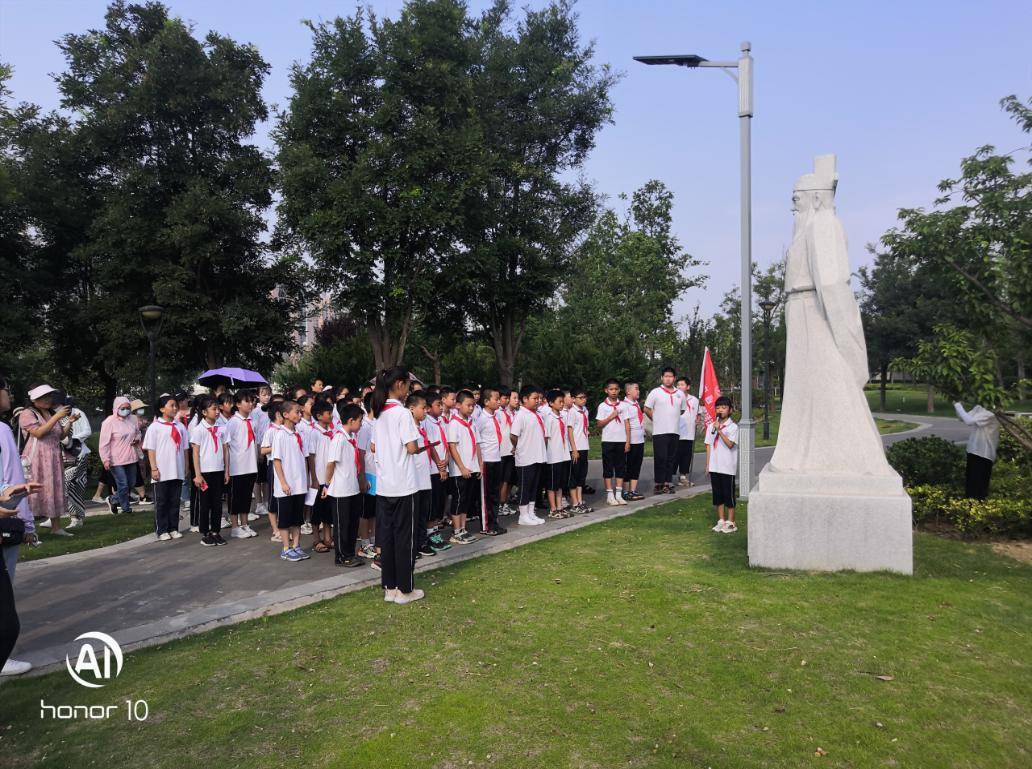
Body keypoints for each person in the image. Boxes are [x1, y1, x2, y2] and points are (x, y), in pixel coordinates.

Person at [371, 367, 426, 604]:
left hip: (385, 485)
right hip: (403, 484)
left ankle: (390, 586)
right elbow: (411, 447)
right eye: (408, 385)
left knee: (389, 538)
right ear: (401, 385)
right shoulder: (402, 414)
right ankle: (405, 589)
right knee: (405, 538)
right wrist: (423, 446)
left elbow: (374, 446)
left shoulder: (379, 413)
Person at [0, 374, 40, 677]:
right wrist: (26, 523)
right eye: (5, 389)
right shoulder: (2, 431)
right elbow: (14, 479)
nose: (8, 395)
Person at [19, 384, 75, 536]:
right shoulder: (27, 413)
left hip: (53, 457)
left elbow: (60, 435)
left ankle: (56, 527)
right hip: (37, 458)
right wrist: (57, 416)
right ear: (34, 399)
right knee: (33, 493)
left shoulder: (49, 413)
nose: (48, 399)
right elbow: (38, 433)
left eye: (49, 396)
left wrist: (69, 421)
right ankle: (28, 530)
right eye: (44, 397)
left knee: (54, 490)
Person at [323, 403, 365, 567]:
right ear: (350, 420)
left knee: (352, 523)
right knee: (342, 525)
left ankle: (350, 553)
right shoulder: (339, 438)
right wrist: (327, 485)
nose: (361, 424)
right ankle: (342, 556)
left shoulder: (352, 438)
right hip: (340, 490)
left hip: (352, 487)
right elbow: (330, 464)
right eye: (359, 421)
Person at [143, 394, 188, 541]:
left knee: (175, 501)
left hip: (177, 470)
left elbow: (185, 448)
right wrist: (154, 469)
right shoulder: (155, 427)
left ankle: (173, 527)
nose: (175, 408)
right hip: (162, 471)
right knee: (162, 502)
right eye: (171, 405)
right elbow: (151, 450)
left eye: (176, 405)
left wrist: (186, 466)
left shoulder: (180, 426)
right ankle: (161, 529)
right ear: (162, 409)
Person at [271, 400, 311, 562]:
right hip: (286, 486)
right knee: (285, 519)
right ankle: (286, 548)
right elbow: (277, 460)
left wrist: (308, 479)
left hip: (299, 484)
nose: (299, 414)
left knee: (297, 518)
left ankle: (296, 545)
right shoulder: (280, 435)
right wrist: (283, 482)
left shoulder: (299, 434)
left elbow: (306, 458)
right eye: (296, 412)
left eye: (300, 412)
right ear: (285, 415)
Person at [189, 395, 230, 547]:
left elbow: (226, 449)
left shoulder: (222, 428)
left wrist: (226, 471)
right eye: (214, 409)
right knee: (205, 504)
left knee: (217, 504)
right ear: (204, 412)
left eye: (218, 408)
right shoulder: (199, 429)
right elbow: (195, 452)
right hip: (205, 472)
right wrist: (198, 474)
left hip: (218, 471)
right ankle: (205, 533)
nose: (217, 411)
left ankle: (216, 531)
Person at [644, 367, 687, 495]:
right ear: (662, 378)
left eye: (671, 376)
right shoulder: (655, 392)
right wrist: (655, 418)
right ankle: (659, 483)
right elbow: (646, 408)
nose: (668, 378)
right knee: (660, 458)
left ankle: (668, 483)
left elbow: (682, 410)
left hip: (674, 431)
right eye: (666, 376)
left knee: (670, 458)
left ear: (674, 378)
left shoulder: (680, 394)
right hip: (660, 431)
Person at [446, 390, 481, 544]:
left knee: (466, 499)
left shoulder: (472, 422)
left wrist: (479, 465)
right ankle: (456, 531)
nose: (471, 408)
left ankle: (463, 528)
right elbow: (452, 447)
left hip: (472, 467)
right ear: (459, 405)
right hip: (460, 470)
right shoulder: (454, 423)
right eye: (468, 405)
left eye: (473, 405)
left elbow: (477, 444)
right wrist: (462, 467)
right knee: (458, 499)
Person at [510, 384, 548, 526]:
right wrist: (519, 447)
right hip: (526, 457)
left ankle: (531, 512)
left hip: (538, 455)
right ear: (525, 399)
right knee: (525, 487)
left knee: (534, 486)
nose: (538, 401)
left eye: (539, 398)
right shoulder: (521, 415)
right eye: (534, 398)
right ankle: (523, 515)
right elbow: (513, 435)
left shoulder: (537, 414)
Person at [224, 390, 260, 539]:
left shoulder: (253, 421)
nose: (250, 404)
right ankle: (234, 526)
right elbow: (226, 445)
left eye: (252, 401)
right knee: (235, 497)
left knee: (246, 496)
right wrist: (227, 469)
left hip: (250, 465)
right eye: (247, 401)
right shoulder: (233, 422)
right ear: (238, 404)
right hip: (237, 467)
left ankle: (245, 524)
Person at [407, 392, 438, 557]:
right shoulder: (408, 428)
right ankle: (414, 544)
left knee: (423, 512)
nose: (425, 411)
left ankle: (421, 541)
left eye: (427, 408)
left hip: (424, 475)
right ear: (411, 409)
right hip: (414, 477)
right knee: (414, 513)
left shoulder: (421, 427)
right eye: (422, 408)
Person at [421, 393, 452, 553]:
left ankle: (434, 531)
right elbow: (430, 445)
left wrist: (446, 459)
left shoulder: (441, 422)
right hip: (433, 468)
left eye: (441, 404)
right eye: (437, 404)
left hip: (442, 466)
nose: (441, 407)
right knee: (432, 504)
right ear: (427, 407)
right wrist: (440, 465)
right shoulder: (426, 422)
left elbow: (445, 443)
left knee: (440, 501)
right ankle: (430, 533)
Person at [476, 387, 508, 535]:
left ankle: (494, 522)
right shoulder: (481, 419)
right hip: (487, 460)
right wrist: (480, 462)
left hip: (496, 458)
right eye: (496, 399)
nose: (498, 401)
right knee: (486, 495)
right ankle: (486, 525)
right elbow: (477, 441)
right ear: (487, 401)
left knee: (495, 493)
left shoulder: (498, 416)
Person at [954, 401, 1001, 500]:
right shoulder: (979, 407)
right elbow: (963, 418)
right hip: (973, 450)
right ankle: (969, 507)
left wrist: (958, 405)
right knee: (970, 483)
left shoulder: (992, 411)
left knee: (979, 486)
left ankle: (979, 508)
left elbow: (969, 421)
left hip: (984, 453)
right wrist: (959, 406)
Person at [706, 396, 739, 533]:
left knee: (728, 494)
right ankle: (721, 520)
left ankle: (731, 522)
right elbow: (708, 444)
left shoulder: (733, 427)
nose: (720, 410)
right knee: (717, 494)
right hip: (715, 465)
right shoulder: (711, 426)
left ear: (730, 410)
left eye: (724, 408)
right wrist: (708, 464)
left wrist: (720, 431)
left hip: (727, 467)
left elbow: (730, 444)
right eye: (718, 407)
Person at [596, 379, 630, 507]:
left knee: (621, 468)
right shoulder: (603, 406)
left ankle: (619, 494)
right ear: (606, 390)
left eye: (616, 389)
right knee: (608, 468)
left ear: (619, 390)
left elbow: (627, 423)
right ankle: (610, 495)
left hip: (621, 440)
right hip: (608, 441)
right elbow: (599, 424)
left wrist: (628, 441)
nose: (614, 391)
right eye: (611, 389)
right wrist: (611, 416)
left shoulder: (624, 406)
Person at [308, 400, 337, 553]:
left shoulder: (332, 432)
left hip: (329, 478)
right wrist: (314, 478)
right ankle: (316, 539)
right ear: (319, 416)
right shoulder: (314, 433)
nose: (331, 416)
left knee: (328, 509)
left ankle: (328, 537)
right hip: (319, 477)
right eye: (328, 413)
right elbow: (311, 457)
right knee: (316, 509)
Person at [63, 395, 93, 529]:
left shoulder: (79, 413)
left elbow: (87, 431)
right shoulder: (56, 416)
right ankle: (74, 517)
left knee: (70, 484)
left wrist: (71, 440)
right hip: (63, 457)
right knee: (71, 487)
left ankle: (76, 517)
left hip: (79, 454)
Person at [544, 389, 573, 519]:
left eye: (563, 401)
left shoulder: (563, 417)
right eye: (559, 402)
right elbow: (546, 438)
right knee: (552, 485)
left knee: (560, 484)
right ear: (551, 403)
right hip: (552, 456)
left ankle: (560, 507)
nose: (562, 404)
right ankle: (553, 508)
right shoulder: (549, 418)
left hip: (562, 455)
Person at [565, 388, 591, 514]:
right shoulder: (572, 412)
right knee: (574, 476)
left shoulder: (585, 410)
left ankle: (580, 501)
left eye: (585, 397)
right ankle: (574, 502)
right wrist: (574, 449)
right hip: (576, 448)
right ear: (573, 399)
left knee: (582, 476)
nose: (583, 400)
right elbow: (570, 431)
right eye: (580, 397)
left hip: (584, 446)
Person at [622, 382, 646, 501]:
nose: (638, 391)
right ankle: (625, 491)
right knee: (628, 466)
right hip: (630, 440)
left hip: (640, 439)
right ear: (628, 391)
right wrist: (627, 441)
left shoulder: (636, 404)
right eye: (636, 389)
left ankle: (633, 490)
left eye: (638, 388)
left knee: (637, 465)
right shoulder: (624, 405)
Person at [676, 377, 700, 487]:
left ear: (688, 387)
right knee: (676, 456)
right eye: (678, 385)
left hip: (690, 434)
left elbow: (698, 413)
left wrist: (698, 419)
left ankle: (683, 477)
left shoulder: (694, 400)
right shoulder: (675, 399)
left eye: (682, 384)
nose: (679, 386)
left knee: (686, 456)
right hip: (677, 433)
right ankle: (669, 479)